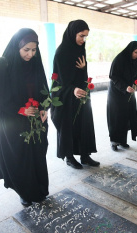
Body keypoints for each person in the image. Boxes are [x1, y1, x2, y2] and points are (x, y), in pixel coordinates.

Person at [0, 28, 49, 207]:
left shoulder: (36, 62)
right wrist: (19, 109)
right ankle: (24, 191)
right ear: (17, 47)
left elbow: (43, 87)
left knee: (37, 154)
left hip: (36, 119)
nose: (31, 54)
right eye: (26, 50)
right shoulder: (3, 63)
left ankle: (39, 190)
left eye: (34, 49)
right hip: (12, 122)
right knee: (20, 157)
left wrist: (45, 107)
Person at [51, 20, 99, 169]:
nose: (83, 40)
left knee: (83, 124)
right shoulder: (61, 52)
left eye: (85, 37)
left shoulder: (80, 49)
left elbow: (82, 75)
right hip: (65, 97)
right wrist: (72, 90)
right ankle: (69, 157)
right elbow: (60, 80)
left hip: (81, 95)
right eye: (81, 35)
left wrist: (84, 69)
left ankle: (85, 155)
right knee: (69, 126)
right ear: (73, 33)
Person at [107, 41, 137, 151]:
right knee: (117, 116)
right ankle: (114, 141)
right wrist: (125, 87)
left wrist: (135, 86)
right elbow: (113, 76)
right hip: (117, 92)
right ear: (130, 50)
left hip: (129, 91)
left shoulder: (136, 60)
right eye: (135, 52)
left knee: (127, 115)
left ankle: (122, 141)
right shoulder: (120, 59)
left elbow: (136, 76)